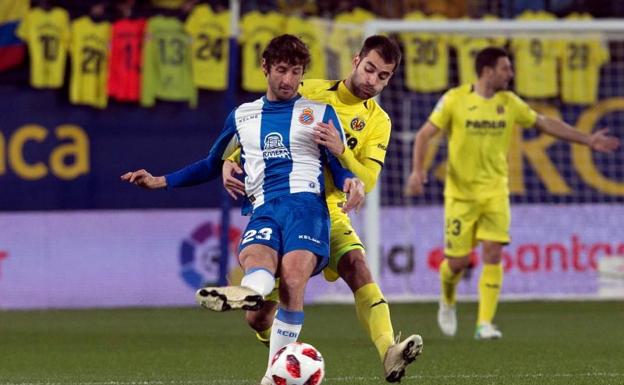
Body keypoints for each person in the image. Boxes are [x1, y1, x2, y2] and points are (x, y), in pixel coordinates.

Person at [121, 34, 366, 383]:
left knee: (293, 280)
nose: (288, 80)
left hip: (306, 208)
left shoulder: (319, 113)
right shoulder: (242, 116)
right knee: (257, 267)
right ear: (265, 68)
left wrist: (350, 181)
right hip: (264, 208)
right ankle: (248, 293)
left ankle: (270, 377)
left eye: (296, 72)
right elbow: (211, 164)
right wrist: (159, 181)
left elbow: (338, 165)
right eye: (281, 70)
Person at [223, 35, 423, 383]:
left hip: (330, 212)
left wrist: (341, 150)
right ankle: (277, 345)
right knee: (258, 316)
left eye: (383, 76)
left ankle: (389, 350)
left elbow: (367, 180)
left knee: (357, 266)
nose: (372, 81)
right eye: (369, 69)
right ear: (356, 61)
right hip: (288, 205)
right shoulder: (311, 91)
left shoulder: (379, 121)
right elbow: (260, 125)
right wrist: (229, 158)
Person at [405, 47, 620, 339]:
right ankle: (448, 299)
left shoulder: (510, 102)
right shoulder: (455, 99)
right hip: (461, 195)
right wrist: (417, 171)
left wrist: (587, 139)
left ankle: (484, 324)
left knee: (493, 253)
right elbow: (424, 135)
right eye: (505, 68)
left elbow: (545, 123)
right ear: (488, 71)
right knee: (456, 263)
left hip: (496, 192)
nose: (511, 73)